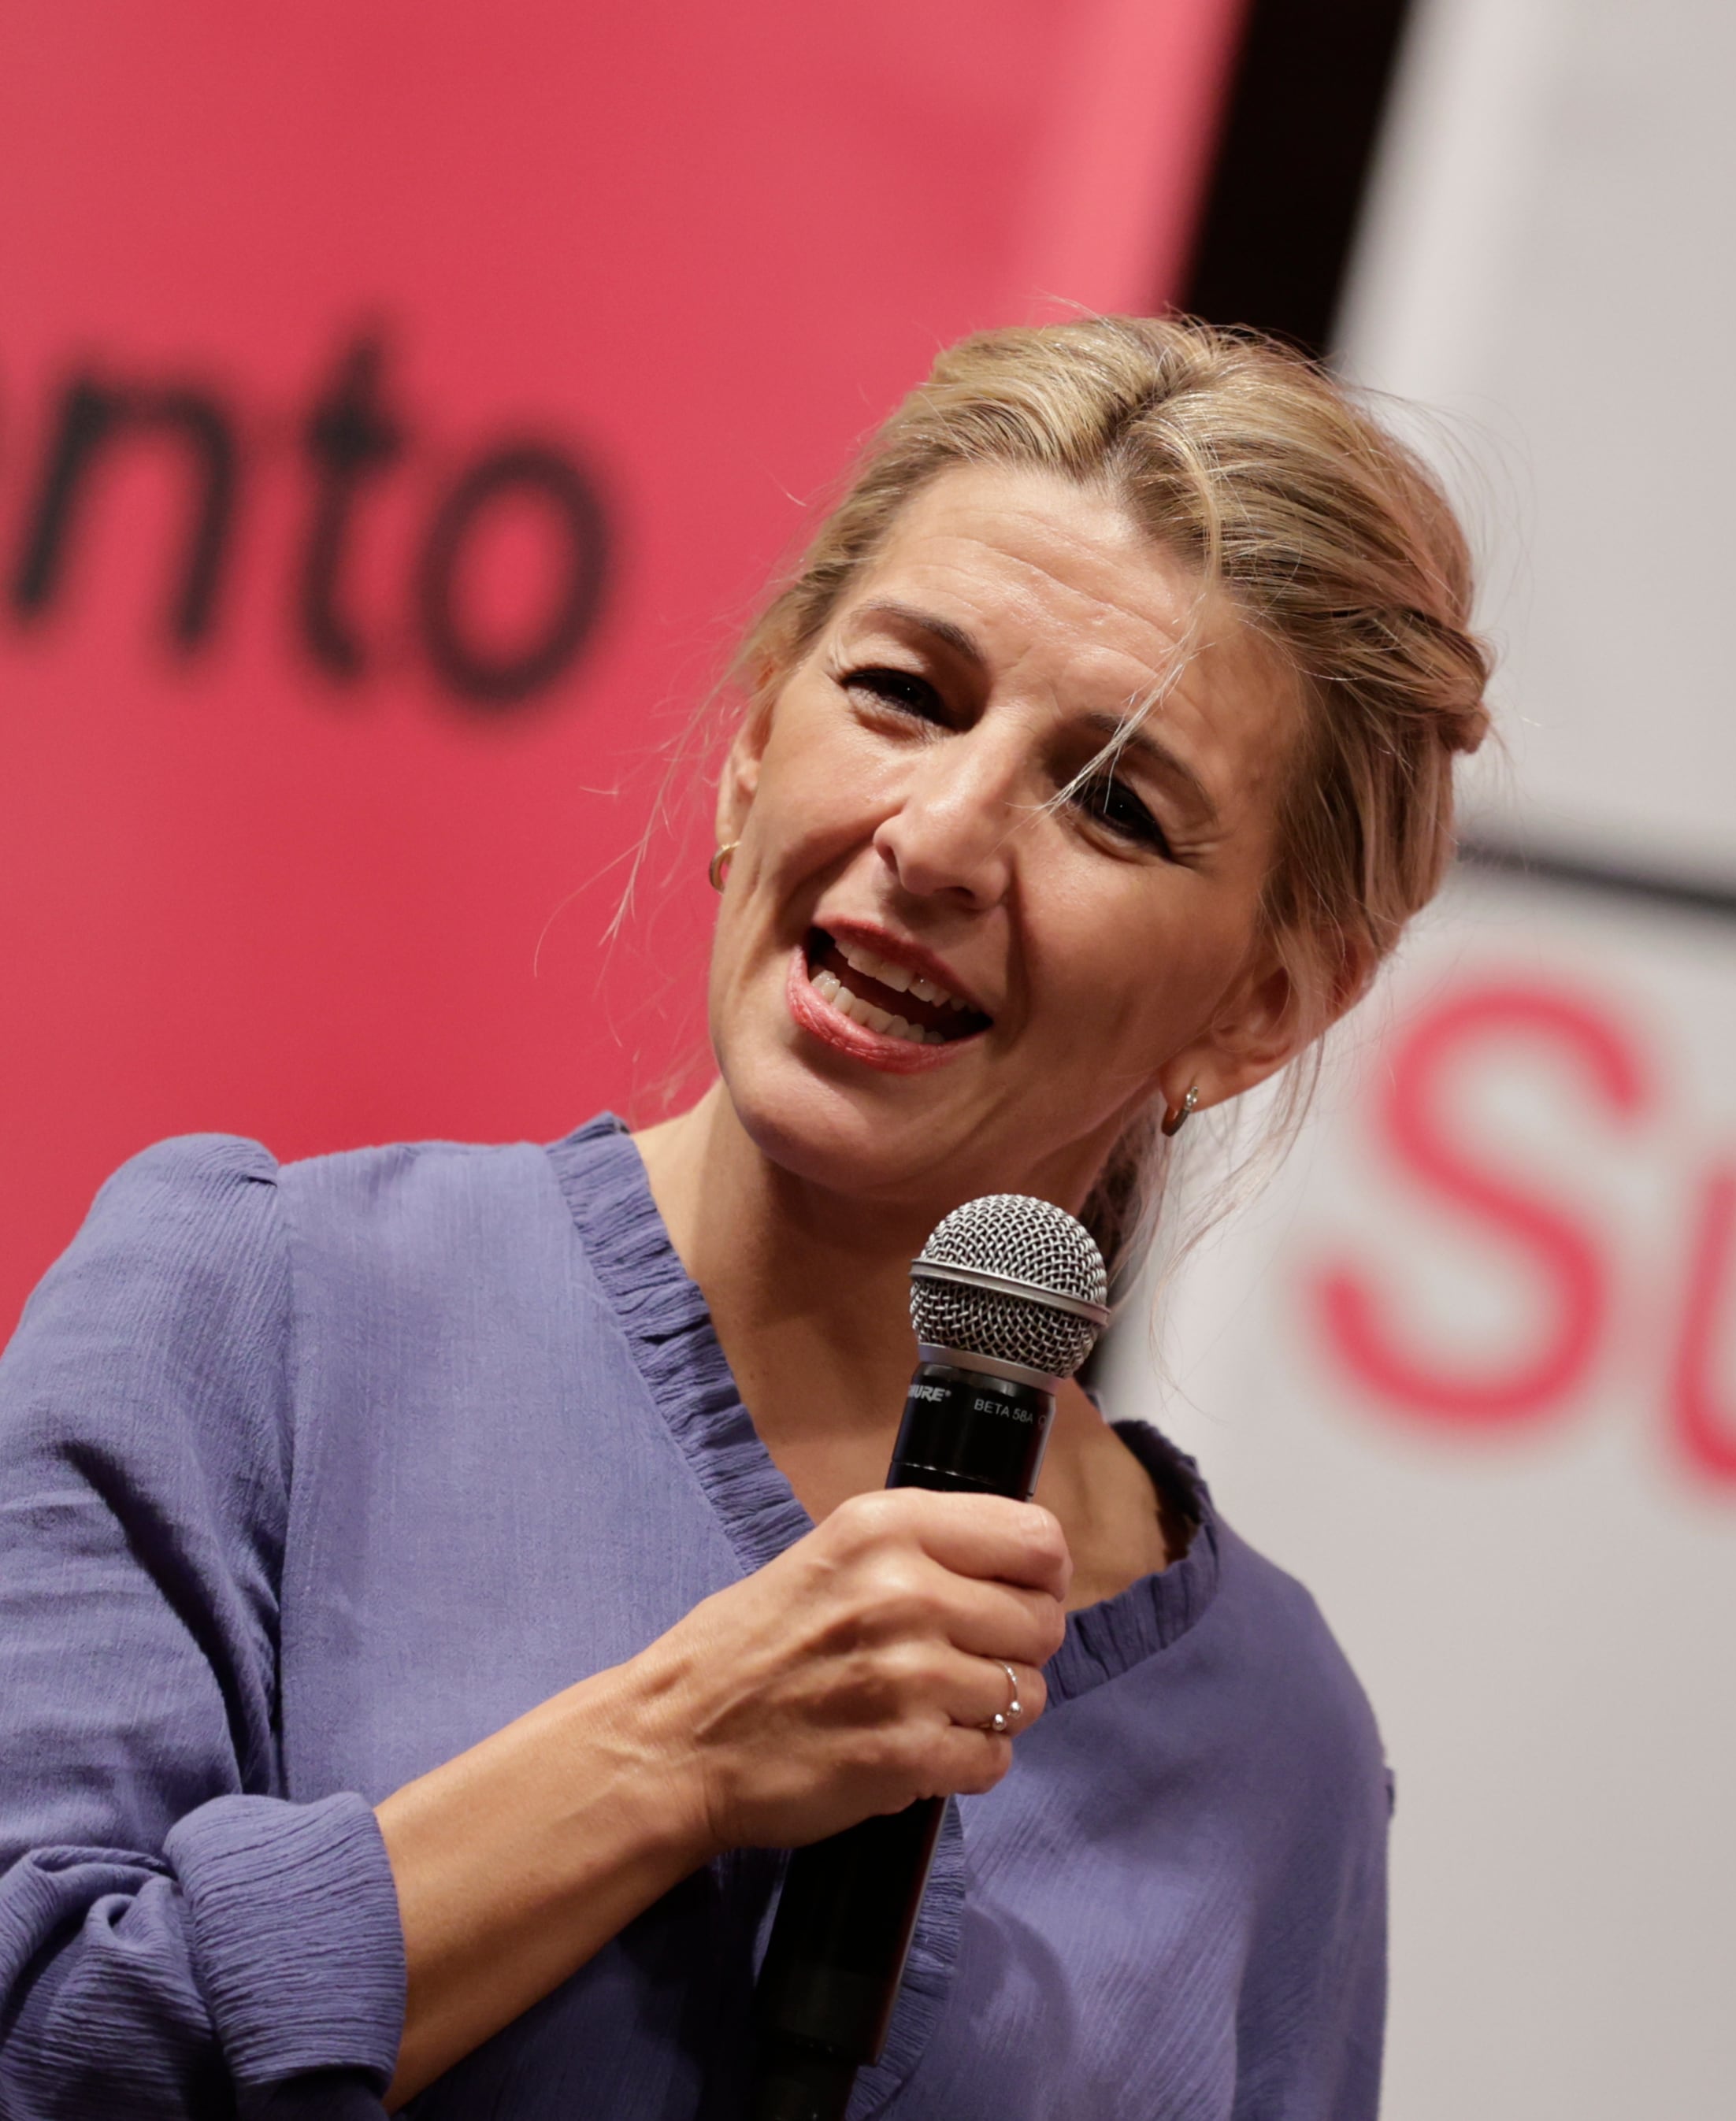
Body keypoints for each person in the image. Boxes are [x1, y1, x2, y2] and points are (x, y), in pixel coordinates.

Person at [0, 317, 1492, 2118]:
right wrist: (673, 1747)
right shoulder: (261, 1311)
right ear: (745, 750)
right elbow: (42, 2042)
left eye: (1112, 803)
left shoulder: (1275, 1748)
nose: (938, 833)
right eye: (904, 695)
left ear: (1266, 1005)